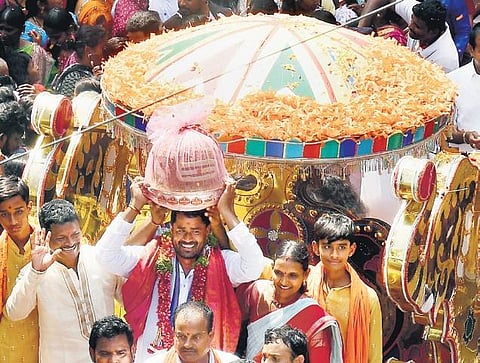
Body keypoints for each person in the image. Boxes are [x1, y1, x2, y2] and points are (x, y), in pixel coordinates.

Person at [96, 178, 264, 362]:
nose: (187, 238)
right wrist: (134, 206)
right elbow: (105, 256)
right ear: (171, 229)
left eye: (195, 231)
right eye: (181, 230)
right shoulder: (151, 257)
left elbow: (253, 266)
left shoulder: (220, 263)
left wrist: (227, 213)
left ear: (207, 231)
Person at [5, 199, 123, 363]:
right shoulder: (35, 271)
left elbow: (130, 300)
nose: (70, 243)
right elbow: (14, 313)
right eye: (61, 238)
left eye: (75, 235)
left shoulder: (100, 258)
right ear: (46, 236)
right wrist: (36, 272)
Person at [237, 240, 342, 362]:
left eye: (292, 275)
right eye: (278, 273)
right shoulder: (256, 292)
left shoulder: (314, 316)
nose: (284, 282)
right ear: (272, 268)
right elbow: (233, 334)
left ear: (306, 274)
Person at [307, 212, 382, 363]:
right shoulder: (304, 282)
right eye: (327, 246)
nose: (334, 255)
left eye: (341, 247)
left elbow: (374, 357)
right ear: (315, 248)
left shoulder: (368, 298)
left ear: (351, 249)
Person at [359, 0, 458, 73]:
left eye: (417, 27)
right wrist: (360, 29)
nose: (410, 26)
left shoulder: (446, 60)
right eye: (411, 20)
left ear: (433, 32)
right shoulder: (418, 15)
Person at [0, 176, 38, 363]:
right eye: (4, 214)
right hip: (6, 344)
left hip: (44, 341)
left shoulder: (48, 244)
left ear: (29, 207)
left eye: (18, 211)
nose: (12, 221)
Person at [144, 301, 240, 363]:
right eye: (181, 336)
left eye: (196, 337)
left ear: (210, 336)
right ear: (174, 334)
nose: (187, 344)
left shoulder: (230, 361)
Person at [446, 23, 480, 152]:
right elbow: (445, 132)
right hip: (467, 162)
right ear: (471, 50)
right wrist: (466, 137)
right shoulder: (452, 82)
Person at [51, 24, 106, 98]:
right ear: (89, 50)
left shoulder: (94, 74)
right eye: (102, 48)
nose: (105, 52)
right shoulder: (74, 78)